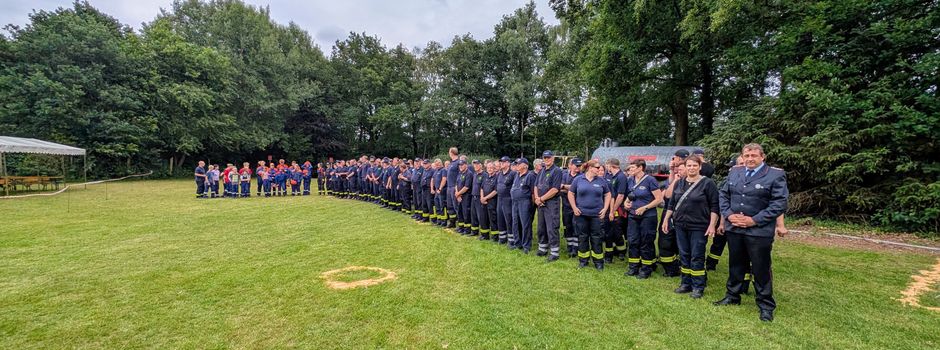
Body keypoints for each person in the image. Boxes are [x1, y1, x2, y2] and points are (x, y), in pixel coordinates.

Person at [714, 143, 789, 322]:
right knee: (735, 264)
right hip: (735, 228)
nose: (750, 159)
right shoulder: (735, 172)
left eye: (754, 156)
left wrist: (754, 220)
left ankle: (765, 305)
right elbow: (723, 195)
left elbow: (779, 203)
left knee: (760, 268)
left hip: (759, 230)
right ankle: (733, 296)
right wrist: (729, 215)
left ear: (762, 157)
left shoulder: (775, 175)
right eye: (747, 156)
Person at [661, 155, 719, 298]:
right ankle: (685, 283)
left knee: (697, 255)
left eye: (694, 165)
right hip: (680, 224)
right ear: (685, 167)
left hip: (699, 226)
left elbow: (715, 206)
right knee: (684, 254)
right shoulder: (680, 182)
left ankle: (698, 286)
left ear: (700, 167)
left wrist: (712, 225)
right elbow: (672, 204)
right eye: (689, 166)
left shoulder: (708, 183)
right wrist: (666, 219)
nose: (691, 168)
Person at [568, 159, 611, 270]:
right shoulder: (578, 179)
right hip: (581, 214)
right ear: (590, 168)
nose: (599, 169)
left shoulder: (601, 181)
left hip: (596, 215)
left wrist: (605, 209)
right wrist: (574, 207)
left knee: (597, 238)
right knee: (582, 237)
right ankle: (583, 261)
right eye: (597, 167)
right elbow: (571, 193)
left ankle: (598, 262)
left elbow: (608, 195)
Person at [624, 159, 663, 279]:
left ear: (640, 168)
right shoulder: (630, 180)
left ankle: (646, 269)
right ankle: (633, 267)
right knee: (633, 241)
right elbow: (630, 195)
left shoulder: (650, 180)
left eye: (632, 167)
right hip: (633, 215)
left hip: (647, 216)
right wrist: (626, 203)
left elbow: (659, 199)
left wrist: (644, 208)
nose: (630, 170)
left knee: (646, 241)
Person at [658, 149, 689, 277]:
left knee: (682, 242)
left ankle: (683, 267)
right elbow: (667, 195)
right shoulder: (676, 177)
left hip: (683, 214)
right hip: (670, 211)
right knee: (666, 239)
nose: (677, 169)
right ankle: (671, 269)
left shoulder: (692, 181)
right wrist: (673, 174)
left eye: (679, 168)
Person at [535, 150, 564, 262]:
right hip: (541, 203)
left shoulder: (557, 171)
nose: (546, 159)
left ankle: (554, 253)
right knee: (541, 227)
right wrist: (537, 198)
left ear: (553, 158)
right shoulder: (541, 171)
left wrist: (541, 199)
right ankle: (543, 249)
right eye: (545, 158)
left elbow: (555, 189)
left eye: (548, 157)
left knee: (552, 227)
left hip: (551, 203)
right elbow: (536, 186)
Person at [604, 158, 629, 264]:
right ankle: (610, 253)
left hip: (617, 209)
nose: (606, 168)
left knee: (617, 230)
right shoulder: (610, 176)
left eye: (607, 166)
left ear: (611, 166)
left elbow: (620, 195)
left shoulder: (621, 177)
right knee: (609, 231)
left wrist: (612, 211)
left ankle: (622, 251)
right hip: (610, 207)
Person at [510, 158, 536, 253]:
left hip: (525, 202)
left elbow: (533, 192)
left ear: (525, 165)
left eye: (518, 164)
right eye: (516, 164)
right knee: (515, 223)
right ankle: (517, 243)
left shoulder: (530, 175)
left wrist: (533, 205)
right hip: (515, 202)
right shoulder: (517, 175)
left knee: (525, 224)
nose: (516, 165)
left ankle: (526, 245)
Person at [560, 158, 583, 257]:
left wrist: (565, 187)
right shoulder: (564, 175)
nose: (578, 167)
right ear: (570, 165)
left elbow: (578, 188)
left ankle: (576, 247)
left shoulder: (582, 176)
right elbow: (559, 188)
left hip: (577, 206)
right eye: (576, 165)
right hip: (566, 205)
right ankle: (570, 246)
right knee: (567, 226)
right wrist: (569, 188)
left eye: (579, 165)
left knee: (576, 226)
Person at [496, 156, 514, 245]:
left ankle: (511, 239)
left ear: (508, 163)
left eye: (503, 162)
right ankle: (502, 238)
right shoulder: (499, 174)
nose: (501, 163)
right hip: (500, 198)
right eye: (501, 162)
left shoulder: (512, 173)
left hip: (508, 199)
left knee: (509, 219)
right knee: (500, 218)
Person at [480, 160, 499, 242]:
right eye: (488, 168)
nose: (490, 169)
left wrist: (486, 198)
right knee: (484, 218)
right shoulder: (486, 177)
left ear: (495, 169)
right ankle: (485, 235)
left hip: (492, 201)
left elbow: (496, 191)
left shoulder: (497, 178)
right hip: (483, 201)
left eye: (491, 168)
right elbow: (481, 188)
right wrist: (482, 197)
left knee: (493, 219)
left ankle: (494, 237)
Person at [455, 160, 473, 235]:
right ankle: (461, 228)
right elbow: (456, 184)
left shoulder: (469, 174)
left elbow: (466, 187)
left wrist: (458, 194)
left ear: (466, 165)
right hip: (459, 196)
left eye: (462, 165)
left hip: (466, 196)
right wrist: (457, 193)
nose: (460, 166)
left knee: (466, 213)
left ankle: (467, 229)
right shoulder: (459, 173)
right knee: (460, 212)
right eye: (459, 165)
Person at [445, 148, 461, 228]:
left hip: (454, 187)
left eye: (449, 152)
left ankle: (461, 224)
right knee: (450, 205)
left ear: (452, 153)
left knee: (456, 206)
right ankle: (452, 222)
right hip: (449, 187)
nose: (448, 153)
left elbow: (460, 176)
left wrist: (457, 188)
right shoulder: (451, 163)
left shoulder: (458, 162)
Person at [471, 160, 486, 238]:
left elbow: (483, 187)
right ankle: (474, 231)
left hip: (480, 198)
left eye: (477, 165)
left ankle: (484, 234)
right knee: (474, 215)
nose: (475, 166)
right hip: (473, 197)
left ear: (481, 165)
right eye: (474, 165)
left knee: (481, 216)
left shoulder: (484, 175)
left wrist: (482, 197)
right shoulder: (474, 174)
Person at [432, 159, 447, 226]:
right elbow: (433, 180)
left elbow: (444, 179)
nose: (437, 165)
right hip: (436, 191)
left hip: (441, 190)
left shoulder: (443, 170)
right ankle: (439, 220)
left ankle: (444, 221)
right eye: (436, 164)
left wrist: (440, 188)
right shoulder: (436, 171)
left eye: (438, 164)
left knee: (442, 206)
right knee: (437, 205)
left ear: (441, 163)